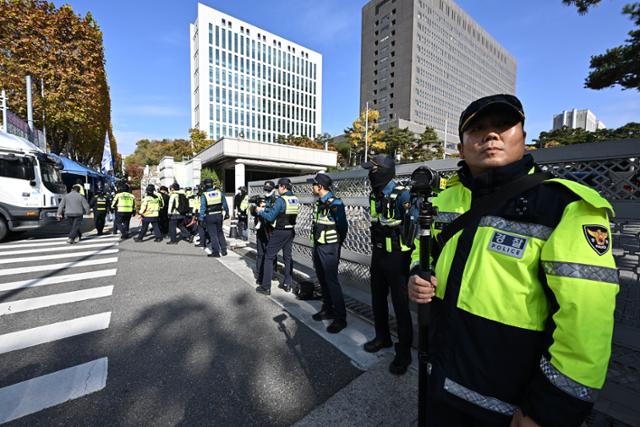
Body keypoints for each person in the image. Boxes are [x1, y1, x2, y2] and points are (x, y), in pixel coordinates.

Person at [407, 94, 618, 427]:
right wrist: (417, 275)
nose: (491, 135)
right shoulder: (445, 198)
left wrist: (550, 410)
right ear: (461, 147)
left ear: (522, 135)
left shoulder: (565, 206)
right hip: (440, 382)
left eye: (502, 125)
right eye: (477, 129)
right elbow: (424, 251)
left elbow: (587, 321)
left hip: (511, 405)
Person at [362, 154, 414, 375]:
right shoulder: (374, 195)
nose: (370, 174)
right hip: (379, 255)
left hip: (398, 259)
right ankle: (382, 337)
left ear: (384, 169)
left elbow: (414, 231)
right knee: (377, 299)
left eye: (373, 169)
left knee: (401, 307)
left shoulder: (403, 195)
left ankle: (404, 352)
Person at [308, 172, 349, 334]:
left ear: (320, 186)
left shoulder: (336, 203)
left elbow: (343, 227)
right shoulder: (319, 203)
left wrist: (336, 244)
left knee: (331, 281)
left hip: (330, 247)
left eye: (313, 184)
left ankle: (340, 318)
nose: (312, 187)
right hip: (318, 245)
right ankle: (328, 309)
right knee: (322, 279)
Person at [255, 178, 300, 295]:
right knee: (287, 257)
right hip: (290, 231)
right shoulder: (295, 199)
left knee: (269, 256)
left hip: (280, 231)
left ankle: (265, 287)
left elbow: (270, 217)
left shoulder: (281, 200)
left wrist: (260, 211)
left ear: (283, 187)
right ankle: (287, 283)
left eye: (279, 187)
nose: (278, 189)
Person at [252, 181, 278, 285]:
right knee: (260, 253)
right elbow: (253, 212)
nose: (266, 191)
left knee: (271, 254)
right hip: (261, 229)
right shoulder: (261, 199)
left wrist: (263, 210)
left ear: (273, 189)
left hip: (271, 230)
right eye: (265, 189)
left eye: (268, 189)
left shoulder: (276, 201)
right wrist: (255, 208)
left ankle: (272, 273)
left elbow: (274, 215)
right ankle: (259, 275)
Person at [199, 178, 229, 256]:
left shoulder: (204, 195)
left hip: (209, 216)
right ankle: (224, 250)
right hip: (219, 215)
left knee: (213, 234)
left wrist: (201, 218)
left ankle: (216, 252)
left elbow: (203, 207)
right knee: (220, 232)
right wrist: (227, 213)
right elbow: (225, 204)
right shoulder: (219, 193)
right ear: (212, 184)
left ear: (205, 185)